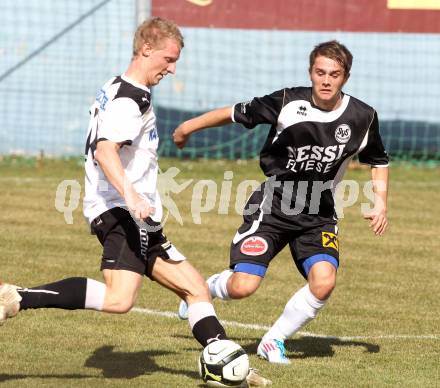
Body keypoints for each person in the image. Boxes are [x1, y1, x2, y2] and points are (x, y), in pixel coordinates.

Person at [0, 17, 271, 385]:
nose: (172, 69)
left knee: (195, 287)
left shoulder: (117, 85)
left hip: (136, 215)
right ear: (146, 49)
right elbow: (105, 150)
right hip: (121, 210)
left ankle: (229, 364)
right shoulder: (132, 99)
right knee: (119, 299)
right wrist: (130, 195)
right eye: (168, 59)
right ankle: (18, 296)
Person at [174, 40, 389, 364]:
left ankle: (273, 340)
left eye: (334, 74)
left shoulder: (362, 117)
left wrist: (379, 201)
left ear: (345, 77)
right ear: (310, 73)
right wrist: (187, 127)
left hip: (319, 211)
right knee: (244, 287)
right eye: (320, 72)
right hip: (274, 204)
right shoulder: (287, 101)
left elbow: (379, 160)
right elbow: (234, 113)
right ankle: (207, 288)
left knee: (324, 281)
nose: (326, 80)